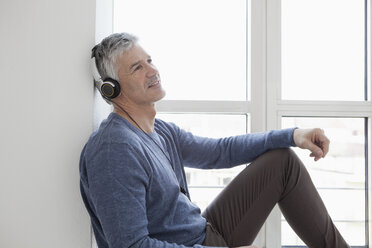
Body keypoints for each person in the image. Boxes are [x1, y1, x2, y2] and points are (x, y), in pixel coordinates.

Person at [79, 32, 350, 248]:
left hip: (203, 231)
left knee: (281, 161)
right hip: (198, 243)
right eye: (137, 67)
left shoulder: (160, 131)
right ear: (111, 89)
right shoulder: (114, 148)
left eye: (150, 60)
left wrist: (293, 135)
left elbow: (221, 151)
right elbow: (131, 245)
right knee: (283, 162)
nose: (152, 70)